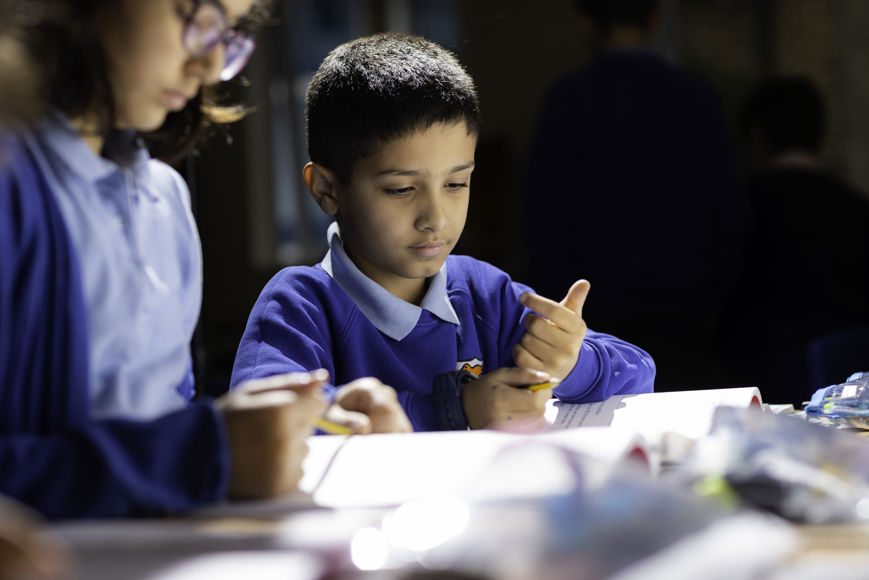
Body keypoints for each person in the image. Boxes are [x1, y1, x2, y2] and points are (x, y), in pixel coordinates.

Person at [0, 0, 409, 520]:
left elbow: (153, 424)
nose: (213, 66)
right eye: (196, 17)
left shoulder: (163, 199)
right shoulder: (13, 185)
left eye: (229, 32)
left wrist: (295, 425)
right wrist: (202, 455)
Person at [230, 32, 656, 432]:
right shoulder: (300, 306)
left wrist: (572, 363)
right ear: (326, 189)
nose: (436, 218)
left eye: (455, 184)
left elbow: (639, 373)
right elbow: (263, 426)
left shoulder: (483, 294)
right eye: (401, 189)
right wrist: (451, 409)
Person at [521, 0, 749, 390]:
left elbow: (544, 215)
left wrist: (557, 306)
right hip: (688, 309)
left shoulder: (571, 99)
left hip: (594, 310)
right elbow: (730, 210)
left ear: (584, 22)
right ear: (655, 19)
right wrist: (717, 299)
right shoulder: (695, 96)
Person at [721, 76, 869, 404]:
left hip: (767, 376)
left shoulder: (744, 204)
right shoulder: (856, 206)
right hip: (853, 376)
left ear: (755, 135)